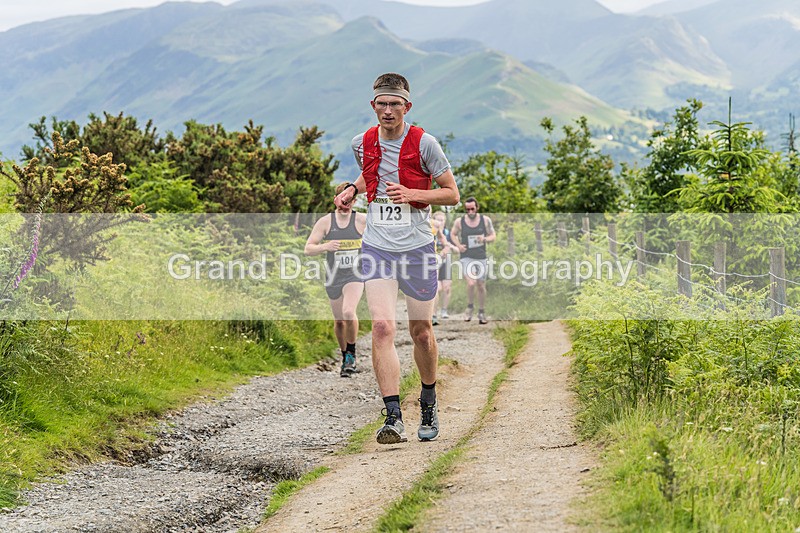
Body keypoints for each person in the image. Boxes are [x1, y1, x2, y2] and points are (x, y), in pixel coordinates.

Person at [334, 72, 459, 444]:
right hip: (378, 246)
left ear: (407, 106)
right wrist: (351, 190)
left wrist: (413, 194)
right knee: (384, 328)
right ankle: (392, 418)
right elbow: (369, 173)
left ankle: (428, 400)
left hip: (418, 247)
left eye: (395, 104)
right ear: (373, 106)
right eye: (382, 104)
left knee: (421, 332)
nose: (388, 110)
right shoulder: (362, 142)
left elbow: (451, 194)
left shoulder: (425, 144)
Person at [304, 182, 367, 377]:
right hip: (333, 275)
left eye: (349, 200)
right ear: (335, 199)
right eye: (342, 198)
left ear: (355, 201)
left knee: (349, 312)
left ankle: (351, 355)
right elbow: (308, 249)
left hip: (355, 275)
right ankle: (344, 355)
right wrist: (326, 246)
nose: (345, 202)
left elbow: (380, 241)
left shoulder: (362, 220)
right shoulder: (325, 222)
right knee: (339, 321)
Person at [450, 197, 495, 325]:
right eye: (467, 209)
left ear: (477, 208)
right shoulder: (460, 221)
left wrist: (484, 239)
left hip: (481, 256)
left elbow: (493, 235)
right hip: (466, 256)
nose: (470, 212)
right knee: (471, 282)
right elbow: (453, 234)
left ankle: (481, 311)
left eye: (472, 209)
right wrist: (458, 245)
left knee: (481, 284)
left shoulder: (485, 220)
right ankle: (469, 307)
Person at [431, 211, 452, 322]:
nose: (439, 222)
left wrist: (445, 250)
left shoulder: (447, 233)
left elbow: (448, 245)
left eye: (441, 220)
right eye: (437, 219)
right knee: (437, 288)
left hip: (445, 261)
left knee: (447, 288)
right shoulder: (430, 227)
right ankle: (433, 314)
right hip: (434, 261)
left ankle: (444, 310)